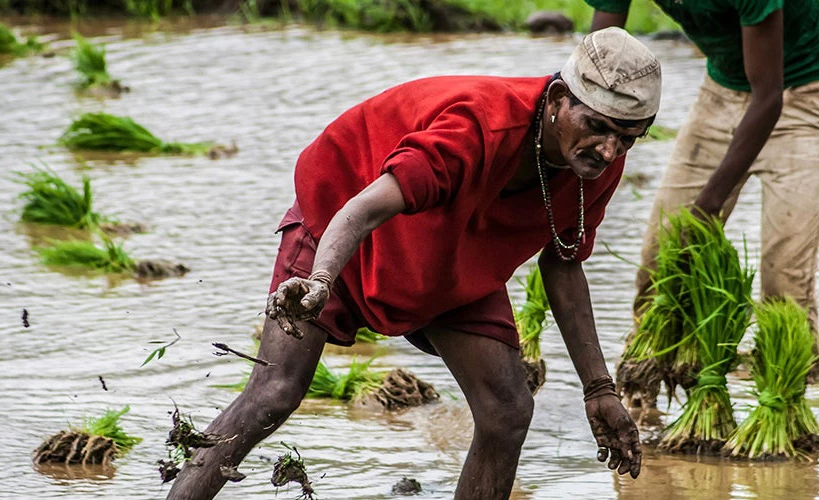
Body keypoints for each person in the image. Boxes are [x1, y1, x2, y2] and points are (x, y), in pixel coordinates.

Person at [166, 27, 662, 500]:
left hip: (451, 246)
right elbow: (361, 210)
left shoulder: (596, 165)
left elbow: (564, 263)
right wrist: (319, 281)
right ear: (556, 100)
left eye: (627, 138)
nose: (609, 150)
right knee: (274, 394)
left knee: (506, 409)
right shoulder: (478, 127)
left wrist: (599, 388)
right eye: (597, 127)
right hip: (338, 229)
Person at [587, 0, 819, 396]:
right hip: (721, 94)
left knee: (785, 277)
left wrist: (708, 205)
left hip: (802, 95)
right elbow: (598, 60)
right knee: (664, 254)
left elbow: (768, 97)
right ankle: (642, 399)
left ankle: (785, 407)